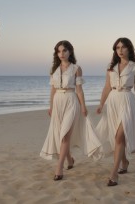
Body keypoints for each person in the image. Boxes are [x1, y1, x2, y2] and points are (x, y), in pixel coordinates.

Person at [40, 40, 101, 181]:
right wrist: (50, 106)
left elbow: (79, 90)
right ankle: (70, 160)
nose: (61, 53)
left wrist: (83, 106)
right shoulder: (54, 70)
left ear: (70, 52)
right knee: (60, 135)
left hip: (71, 100)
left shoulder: (76, 68)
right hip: (57, 103)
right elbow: (53, 90)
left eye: (64, 50)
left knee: (65, 135)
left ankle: (59, 167)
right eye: (59, 51)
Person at [96, 37, 135, 186]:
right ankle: (124, 161)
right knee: (118, 138)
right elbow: (106, 87)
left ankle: (114, 174)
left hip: (128, 101)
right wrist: (101, 104)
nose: (120, 50)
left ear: (129, 49)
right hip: (112, 101)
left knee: (119, 137)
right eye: (117, 48)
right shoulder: (111, 67)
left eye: (123, 47)